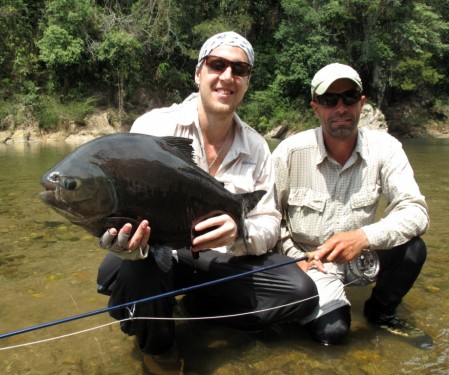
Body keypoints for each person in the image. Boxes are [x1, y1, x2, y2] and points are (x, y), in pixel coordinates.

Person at [96, 31, 319, 373]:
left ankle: (197, 307)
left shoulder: (257, 147)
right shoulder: (153, 126)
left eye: (239, 69)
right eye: (217, 64)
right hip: (158, 254)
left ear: (247, 81)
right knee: (132, 271)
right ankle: (158, 347)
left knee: (301, 292)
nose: (227, 76)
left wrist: (237, 233)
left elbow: (269, 221)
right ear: (198, 73)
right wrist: (124, 240)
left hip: (219, 259)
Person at [272, 63, 430, 346]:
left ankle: (381, 313)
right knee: (333, 336)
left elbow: (416, 212)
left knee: (413, 248)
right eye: (329, 100)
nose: (341, 107)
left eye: (349, 97)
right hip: (310, 262)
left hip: (361, 256)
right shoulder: (289, 153)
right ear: (315, 108)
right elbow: (269, 216)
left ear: (362, 103)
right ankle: (307, 307)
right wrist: (294, 258)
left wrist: (364, 237)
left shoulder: (386, 148)